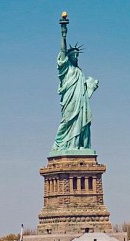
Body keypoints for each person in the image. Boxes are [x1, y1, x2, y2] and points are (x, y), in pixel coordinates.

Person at [51, 16, 98, 154]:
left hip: (81, 102)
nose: (76, 58)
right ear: (68, 57)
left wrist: (91, 86)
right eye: (74, 55)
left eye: (78, 55)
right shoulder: (66, 68)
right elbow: (63, 50)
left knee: (82, 121)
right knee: (67, 120)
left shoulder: (79, 71)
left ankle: (78, 145)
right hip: (70, 100)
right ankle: (62, 144)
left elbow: (85, 90)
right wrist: (63, 33)